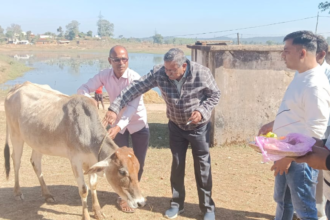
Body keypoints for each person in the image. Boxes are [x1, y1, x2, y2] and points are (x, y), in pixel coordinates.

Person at [103, 48, 220, 220]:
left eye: (172, 70)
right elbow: (135, 88)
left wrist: (202, 111)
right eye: (166, 69)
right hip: (176, 127)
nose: (168, 73)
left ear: (184, 66)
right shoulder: (160, 73)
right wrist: (114, 107)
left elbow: (215, 95)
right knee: (177, 165)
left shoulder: (202, 73)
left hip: (199, 128)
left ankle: (208, 208)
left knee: (202, 167)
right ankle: (177, 204)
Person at [258, 31, 330, 220]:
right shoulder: (302, 75)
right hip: (288, 152)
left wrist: (290, 156)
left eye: (286, 51)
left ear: (302, 53)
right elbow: (297, 113)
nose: (283, 55)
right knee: (282, 200)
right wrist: (274, 124)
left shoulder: (315, 85)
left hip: (299, 158)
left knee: (304, 209)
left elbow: (316, 132)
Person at [77, 45, 150, 213]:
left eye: (124, 59)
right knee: (120, 163)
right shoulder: (104, 74)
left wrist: (118, 126)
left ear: (128, 60)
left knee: (138, 162)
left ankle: (135, 191)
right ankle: (122, 197)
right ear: (110, 60)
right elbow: (82, 89)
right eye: (116, 59)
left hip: (137, 123)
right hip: (117, 124)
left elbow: (132, 106)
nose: (121, 63)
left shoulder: (135, 78)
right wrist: (90, 101)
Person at [315, 34, 330, 220]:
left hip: (324, 132)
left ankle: (318, 215)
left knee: (321, 173)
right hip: (309, 132)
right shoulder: (303, 73)